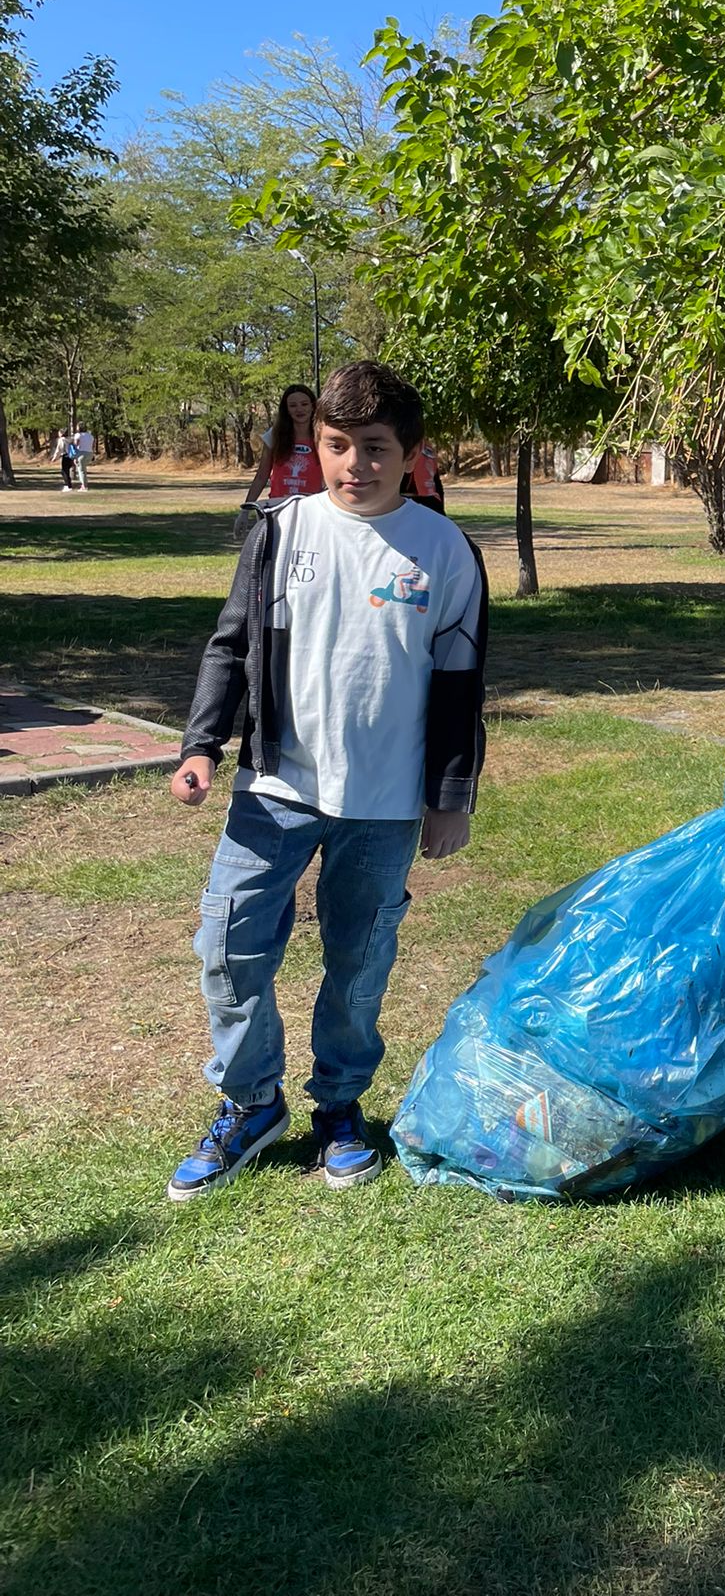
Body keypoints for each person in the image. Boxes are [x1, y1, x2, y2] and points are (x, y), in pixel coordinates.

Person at [166, 361, 488, 1202]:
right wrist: (203, 744)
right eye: (338, 445)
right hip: (276, 788)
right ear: (316, 444)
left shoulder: (446, 550)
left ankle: (339, 1108)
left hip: (382, 807)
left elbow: (461, 681)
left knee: (357, 962)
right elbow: (231, 646)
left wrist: (448, 798)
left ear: (414, 454)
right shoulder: (279, 530)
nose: (355, 465)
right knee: (227, 947)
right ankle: (250, 1101)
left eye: (376, 449)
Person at [234, 384, 323, 541]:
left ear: (313, 406)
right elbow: (262, 476)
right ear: (286, 409)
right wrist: (245, 511)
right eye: (293, 405)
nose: (299, 409)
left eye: (304, 404)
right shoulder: (274, 436)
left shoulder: (324, 437)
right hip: (278, 509)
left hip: (311, 511)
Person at [401, 438, 446, 516]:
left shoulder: (399, 444)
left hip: (419, 501)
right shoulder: (427, 447)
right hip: (430, 501)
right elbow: (437, 483)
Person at [73, 425, 95, 490]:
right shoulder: (90, 436)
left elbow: (76, 444)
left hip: (81, 453)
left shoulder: (78, 435)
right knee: (82, 469)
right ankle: (83, 483)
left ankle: (84, 486)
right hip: (90, 453)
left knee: (81, 470)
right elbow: (93, 445)